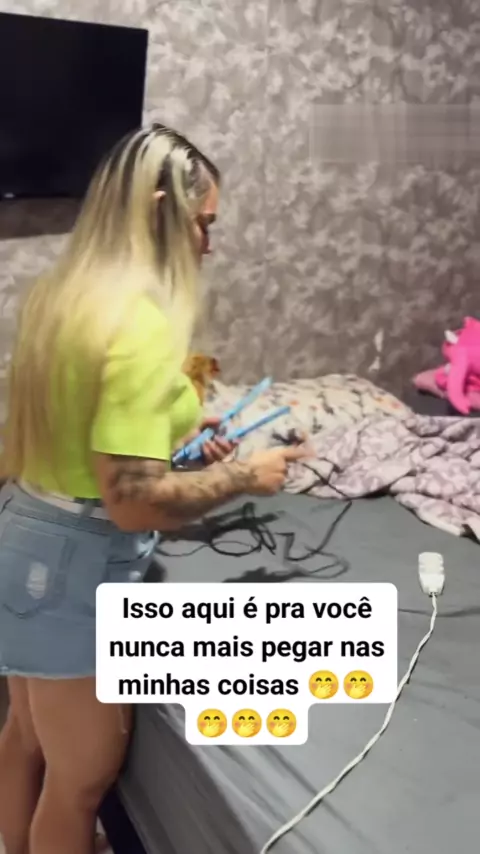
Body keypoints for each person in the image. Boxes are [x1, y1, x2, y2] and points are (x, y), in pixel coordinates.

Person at [0, 124, 306, 854]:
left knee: (26, 736)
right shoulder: (138, 323)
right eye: (205, 224)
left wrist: (183, 418)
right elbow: (133, 503)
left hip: (25, 533)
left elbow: (87, 416)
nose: (209, 244)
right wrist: (245, 475)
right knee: (80, 783)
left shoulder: (63, 294)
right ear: (163, 208)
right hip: (76, 563)